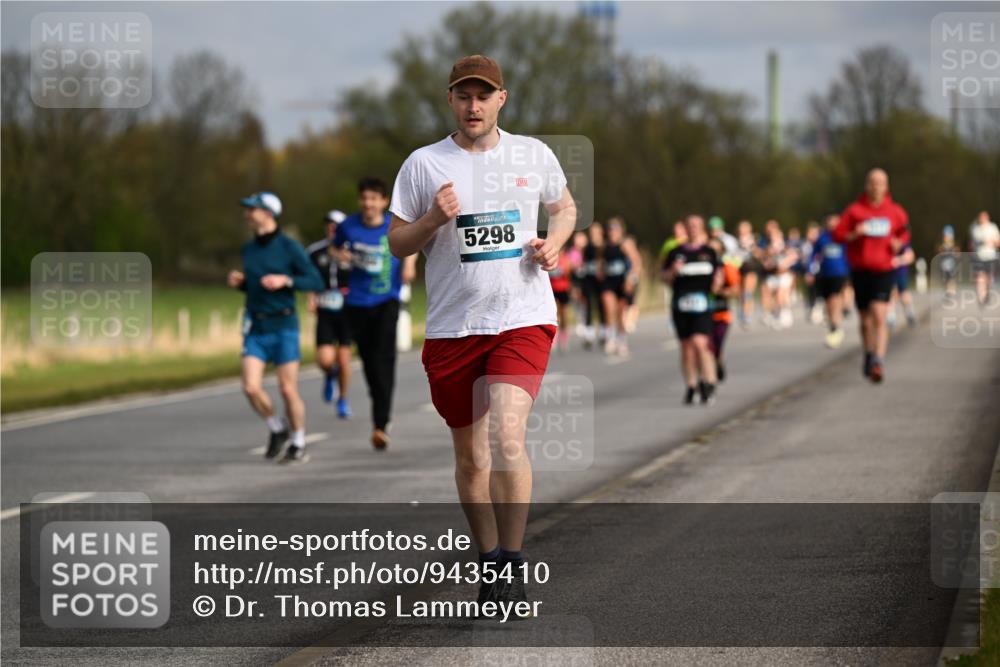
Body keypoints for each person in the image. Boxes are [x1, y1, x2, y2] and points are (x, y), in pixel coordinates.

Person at [386, 55, 577, 611]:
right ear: (451, 99)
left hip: (522, 317)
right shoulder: (423, 164)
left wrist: (554, 242)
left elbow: (564, 208)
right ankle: (489, 560)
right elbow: (396, 243)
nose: (474, 106)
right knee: (472, 458)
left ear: (501, 100)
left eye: (484, 96)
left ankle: (512, 564)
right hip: (453, 327)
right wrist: (431, 220)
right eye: (464, 96)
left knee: (506, 436)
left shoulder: (532, 153)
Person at [228, 191, 325, 464]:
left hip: (284, 326)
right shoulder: (248, 249)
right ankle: (277, 427)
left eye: (252, 209)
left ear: (268, 214)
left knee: (287, 389)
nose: (247, 214)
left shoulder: (289, 247)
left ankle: (299, 441)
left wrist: (286, 281)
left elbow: (315, 281)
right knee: (250, 387)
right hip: (256, 326)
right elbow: (255, 286)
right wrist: (242, 283)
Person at [333, 177, 417, 450]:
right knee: (369, 363)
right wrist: (341, 257)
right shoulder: (348, 225)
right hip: (357, 302)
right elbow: (335, 246)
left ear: (383, 201)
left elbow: (413, 241)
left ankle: (381, 423)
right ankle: (379, 415)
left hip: (386, 301)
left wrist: (409, 264)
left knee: (384, 360)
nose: (368, 203)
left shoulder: (393, 223)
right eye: (364, 198)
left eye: (373, 198)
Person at [833, 168, 910, 383]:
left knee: (879, 314)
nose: (876, 186)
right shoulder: (854, 211)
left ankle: (878, 360)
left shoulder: (895, 211)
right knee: (866, 321)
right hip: (861, 271)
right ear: (866, 185)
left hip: (884, 270)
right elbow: (837, 235)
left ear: (886, 186)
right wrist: (854, 234)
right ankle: (868, 352)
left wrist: (899, 243)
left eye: (880, 182)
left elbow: (904, 233)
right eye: (872, 182)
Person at [662, 215, 722, 405]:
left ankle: (707, 382)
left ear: (702, 228)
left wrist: (717, 283)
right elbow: (664, 278)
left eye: (696, 225)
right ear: (685, 229)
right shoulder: (675, 253)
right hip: (680, 304)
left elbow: (719, 274)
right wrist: (673, 271)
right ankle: (691, 385)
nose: (693, 228)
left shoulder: (709, 252)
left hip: (703, 304)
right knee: (686, 348)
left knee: (700, 343)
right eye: (690, 225)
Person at [307, 209, 353, 418]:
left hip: (347, 310)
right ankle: (330, 374)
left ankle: (342, 399)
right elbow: (308, 277)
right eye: (329, 224)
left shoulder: (353, 250)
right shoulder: (315, 251)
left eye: (336, 225)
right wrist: (311, 297)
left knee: (344, 359)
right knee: (324, 359)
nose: (332, 228)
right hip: (325, 308)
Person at [808, 213, 850, 348]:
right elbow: (813, 255)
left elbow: (850, 254)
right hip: (825, 274)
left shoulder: (844, 237)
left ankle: (835, 326)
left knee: (834, 298)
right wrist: (810, 271)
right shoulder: (822, 238)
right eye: (831, 221)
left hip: (840, 273)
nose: (833, 224)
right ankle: (833, 324)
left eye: (836, 221)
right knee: (828, 302)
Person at [601, 217, 642, 356]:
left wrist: (632, 279)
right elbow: (600, 261)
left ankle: (622, 340)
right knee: (608, 308)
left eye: (615, 229)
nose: (612, 232)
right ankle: (610, 338)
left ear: (621, 231)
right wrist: (600, 272)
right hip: (609, 282)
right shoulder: (604, 246)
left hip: (623, 283)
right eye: (610, 229)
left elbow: (636, 262)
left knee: (620, 313)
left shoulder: (626, 244)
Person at [707, 237, 740, 382]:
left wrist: (719, 291)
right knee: (706, 347)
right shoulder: (701, 268)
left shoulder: (727, 268)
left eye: (716, 250)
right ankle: (708, 378)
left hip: (721, 314)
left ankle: (718, 361)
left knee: (717, 346)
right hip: (703, 314)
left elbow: (736, 290)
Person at [761, 222, 799, 329]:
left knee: (780, 295)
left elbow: (794, 257)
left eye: (775, 236)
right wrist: (769, 262)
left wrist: (785, 264)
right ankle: (772, 314)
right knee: (767, 293)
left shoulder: (786, 246)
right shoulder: (768, 248)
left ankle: (785, 314)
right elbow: (765, 262)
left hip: (784, 275)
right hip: (773, 274)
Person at [580, 221, 607, 349]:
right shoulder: (587, 247)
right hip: (589, 279)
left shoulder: (605, 246)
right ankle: (589, 335)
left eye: (596, 231)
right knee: (589, 305)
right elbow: (583, 262)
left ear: (601, 232)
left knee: (602, 305)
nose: (593, 234)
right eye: (592, 232)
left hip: (601, 280)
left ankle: (603, 333)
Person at [735, 220, 763, 328]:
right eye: (741, 228)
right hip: (739, 268)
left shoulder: (754, 239)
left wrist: (752, 249)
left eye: (744, 228)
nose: (742, 230)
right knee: (741, 292)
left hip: (750, 267)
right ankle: (742, 311)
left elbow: (759, 253)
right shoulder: (736, 240)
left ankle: (747, 314)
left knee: (748, 292)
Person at [969, 211, 999, 307]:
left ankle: (986, 293)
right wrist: (986, 241)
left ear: (987, 218)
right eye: (981, 217)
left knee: (988, 277)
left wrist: (993, 242)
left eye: (984, 217)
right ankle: (981, 297)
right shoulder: (976, 228)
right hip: (979, 256)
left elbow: (997, 242)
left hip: (991, 256)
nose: (982, 219)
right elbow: (977, 240)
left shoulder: (993, 227)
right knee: (980, 276)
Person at [549, 242, 574, 352]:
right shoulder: (551, 258)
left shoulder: (566, 259)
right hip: (553, 289)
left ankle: (564, 338)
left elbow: (570, 276)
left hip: (563, 289)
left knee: (564, 315)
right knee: (554, 315)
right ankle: (554, 338)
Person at [888, 240, 917, 329]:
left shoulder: (902, 239)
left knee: (903, 293)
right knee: (891, 293)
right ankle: (891, 316)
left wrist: (898, 260)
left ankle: (909, 312)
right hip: (888, 272)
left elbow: (911, 256)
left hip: (901, 272)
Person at [938, 225, 960, 297]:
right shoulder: (942, 246)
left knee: (952, 278)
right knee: (946, 279)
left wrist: (955, 253)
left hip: (952, 265)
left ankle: (952, 291)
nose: (947, 238)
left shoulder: (954, 246)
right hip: (944, 266)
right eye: (946, 236)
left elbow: (958, 255)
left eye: (948, 236)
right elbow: (940, 254)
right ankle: (948, 290)